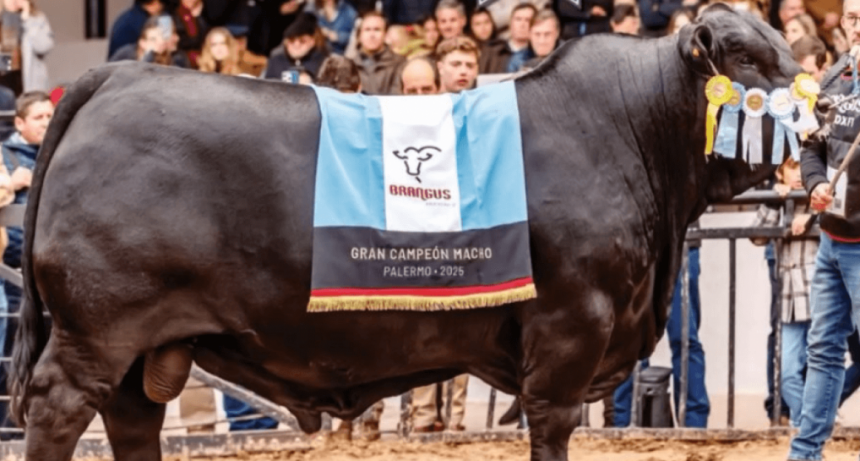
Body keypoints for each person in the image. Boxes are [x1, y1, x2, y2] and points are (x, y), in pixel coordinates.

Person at [789, 0, 860, 458]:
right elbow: (811, 146)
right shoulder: (833, 78)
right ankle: (805, 453)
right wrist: (815, 184)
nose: (859, 28)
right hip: (833, 238)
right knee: (823, 350)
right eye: (853, 18)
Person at [613, 231, 709, 428]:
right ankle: (624, 424)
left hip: (679, 243)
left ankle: (694, 426)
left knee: (684, 339)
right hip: (635, 246)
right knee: (630, 340)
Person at [750, 158, 817, 428]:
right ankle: (808, 424)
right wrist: (773, 200)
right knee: (788, 374)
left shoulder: (820, 199)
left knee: (820, 368)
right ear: (780, 173)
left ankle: (811, 426)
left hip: (818, 300)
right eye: (792, 167)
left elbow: (840, 218)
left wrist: (811, 216)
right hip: (789, 302)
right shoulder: (779, 201)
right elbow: (756, 235)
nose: (799, 174)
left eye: (804, 167)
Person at [0, 0, 52, 95]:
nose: (14, 1)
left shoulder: (36, 19)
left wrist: (28, 19)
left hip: (30, 84)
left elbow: (43, 47)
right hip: (4, 83)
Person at [263, 12, 329, 81]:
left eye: (302, 41)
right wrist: (296, 78)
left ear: (312, 42)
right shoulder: (276, 61)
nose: (296, 45)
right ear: (286, 42)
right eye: (291, 40)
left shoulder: (322, 61)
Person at [350, 11, 404, 94]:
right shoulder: (349, 65)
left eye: (377, 30)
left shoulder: (399, 63)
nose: (372, 35)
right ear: (359, 35)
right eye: (367, 30)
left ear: (385, 35)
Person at [109, 16, 186, 67]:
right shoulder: (125, 54)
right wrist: (149, 55)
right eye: (153, 39)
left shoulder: (173, 58)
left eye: (160, 38)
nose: (159, 43)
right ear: (142, 43)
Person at [470, 8, 509, 74]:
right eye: (478, 24)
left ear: (492, 23)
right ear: (472, 27)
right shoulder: (469, 50)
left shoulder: (503, 48)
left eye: (486, 22)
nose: (483, 27)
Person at [173, 0, 209, 68]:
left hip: (201, 51)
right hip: (184, 54)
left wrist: (198, 16)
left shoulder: (203, 12)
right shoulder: (175, 14)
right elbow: (181, 42)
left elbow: (206, 35)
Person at [505, 3, 536, 73]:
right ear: (510, 23)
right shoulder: (493, 53)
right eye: (518, 19)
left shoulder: (540, 54)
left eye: (528, 20)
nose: (522, 24)